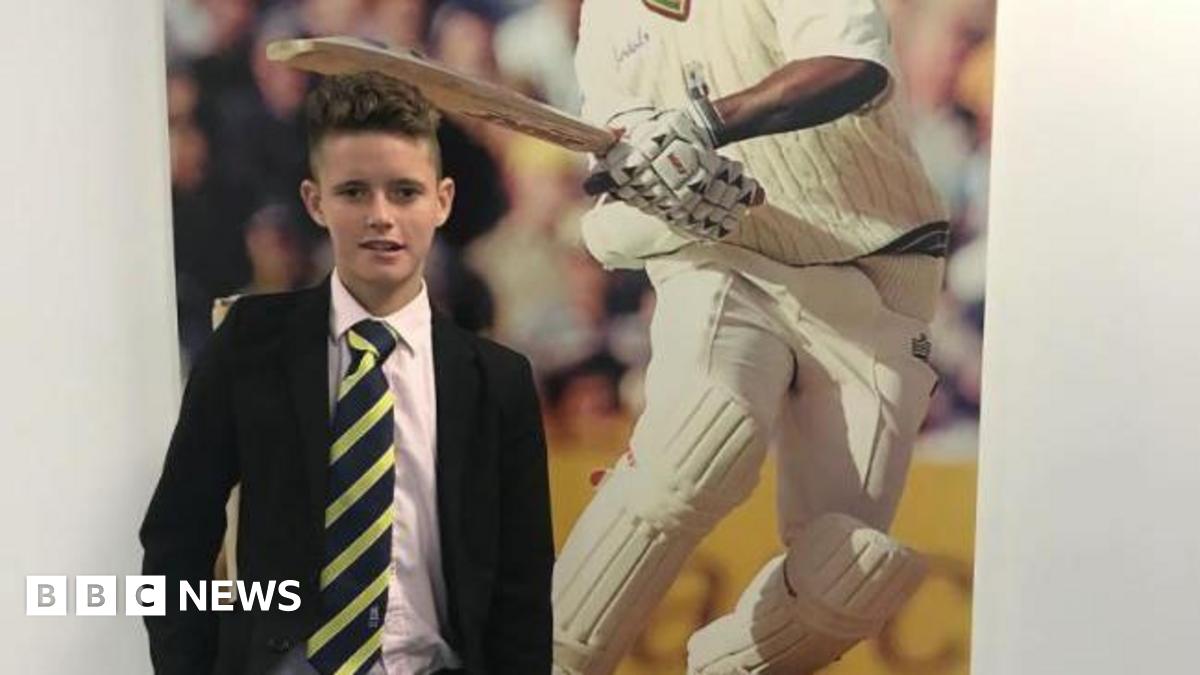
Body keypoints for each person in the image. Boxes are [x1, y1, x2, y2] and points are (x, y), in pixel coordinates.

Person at [553, 1, 949, 673]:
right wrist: (652, 187)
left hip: (874, 275)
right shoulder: (609, 16)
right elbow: (617, 188)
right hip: (724, 257)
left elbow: (853, 68)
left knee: (847, 573)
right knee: (701, 435)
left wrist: (704, 124)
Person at [140, 72, 553, 675]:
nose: (381, 216)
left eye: (405, 192)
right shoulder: (250, 343)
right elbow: (176, 538)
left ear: (443, 201)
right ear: (315, 201)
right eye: (355, 192)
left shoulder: (500, 381)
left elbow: (521, 591)